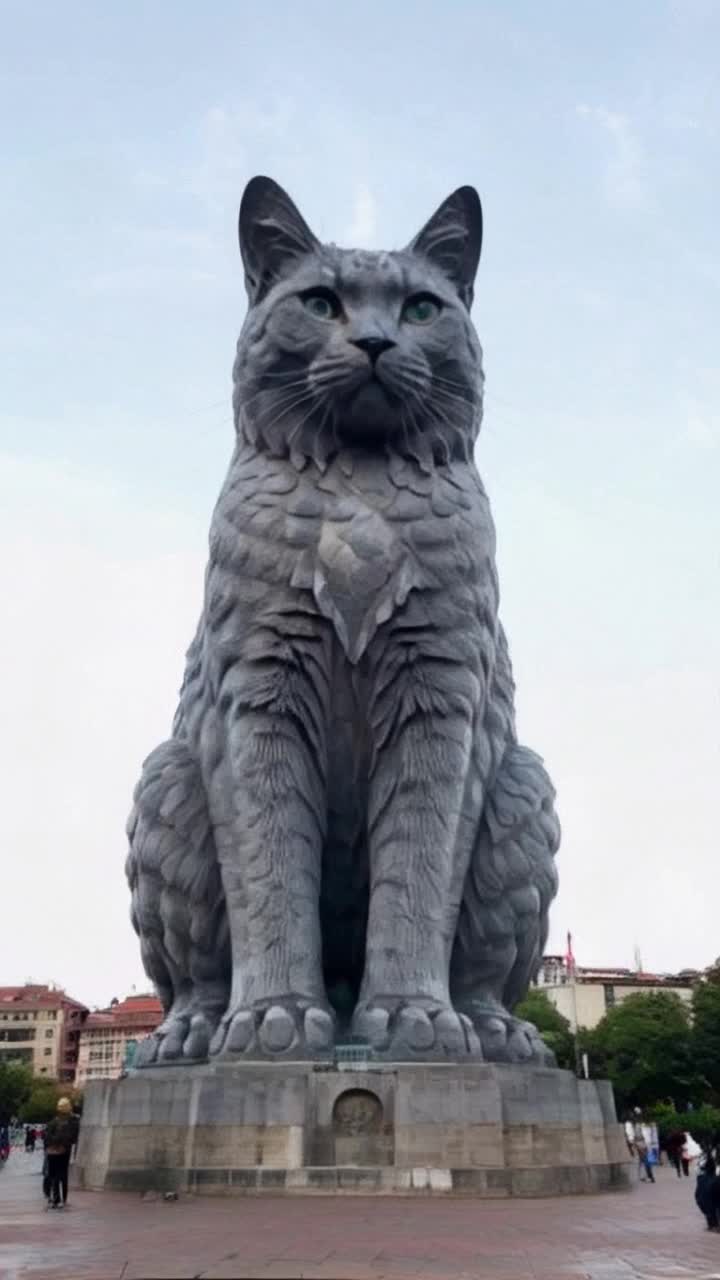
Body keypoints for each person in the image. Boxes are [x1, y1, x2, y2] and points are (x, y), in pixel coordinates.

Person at [43, 1098, 79, 1209]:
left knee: (55, 1176)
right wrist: (61, 1144)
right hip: (63, 1151)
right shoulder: (72, 1122)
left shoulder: (54, 1122)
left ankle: (56, 1198)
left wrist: (52, 1145)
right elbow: (73, 1137)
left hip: (54, 1152)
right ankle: (60, 1199)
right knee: (61, 1175)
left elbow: (47, 1138)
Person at [695, 1156, 720, 1231]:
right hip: (709, 1200)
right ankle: (714, 1225)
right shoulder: (715, 1179)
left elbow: (698, 1195)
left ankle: (713, 1224)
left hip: (704, 1200)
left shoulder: (701, 1178)